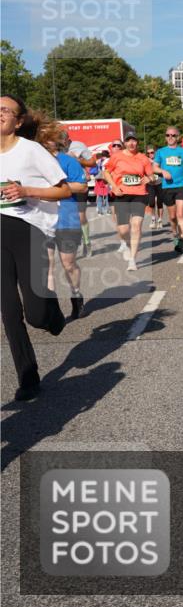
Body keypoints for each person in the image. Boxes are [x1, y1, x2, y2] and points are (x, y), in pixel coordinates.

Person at [0, 95, 70, 401]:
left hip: (30, 231)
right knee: (8, 310)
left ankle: (51, 314)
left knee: (36, 316)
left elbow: (63, 189)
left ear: (18, 121)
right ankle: (28, 378)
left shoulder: (31, 151)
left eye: (5, 110)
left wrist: (26, 190)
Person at [44, 129, 89, 320]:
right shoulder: (35, 161)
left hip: (67, 219)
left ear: (57, 141)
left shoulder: (68, 161)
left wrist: (57, 187)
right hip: (43, 219)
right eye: (42, 136)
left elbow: (82, 186)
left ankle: (76, 295)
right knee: (47, 265)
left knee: (68, 263)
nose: (46, 140)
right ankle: (51, 308)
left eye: (49, 137)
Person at [104, 133, 155, 271]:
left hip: (139, 194)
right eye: (128, 141)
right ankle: (127, 244)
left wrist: (149, 179)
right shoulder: (117, 156)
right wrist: (114, 187)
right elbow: (106, 173)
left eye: (134, 140)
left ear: (137, 143)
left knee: (136, 225)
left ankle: (132, 260)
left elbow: (151, 175)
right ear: (125, 143)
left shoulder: (143, 158)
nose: (131, 143)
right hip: (122, 194)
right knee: (123, 229)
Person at [153, 127, 183, 253]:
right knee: (172, 216)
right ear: (165, 137)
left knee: (180, 214)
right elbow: (154, 168)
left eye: (173, 135)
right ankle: (175, 233)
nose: (170, 137)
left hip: (181, 185)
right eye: (168, 135)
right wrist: (163, 171)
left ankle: (180, 240)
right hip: (166, 186)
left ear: (178, 137)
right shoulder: (160, 152)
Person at [67, 139, 96, 256]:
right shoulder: (53, 148)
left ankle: (86, 242)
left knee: (80, 216)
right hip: (62, 184)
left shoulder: (78, 145)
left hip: (79, 183)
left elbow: (92, 162)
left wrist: (77, 160)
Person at [144, 145, 166, 229]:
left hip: (160, 183)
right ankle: (153, 219)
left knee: (159, 202)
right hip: (150, 184)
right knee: (151, 202)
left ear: (155, 152)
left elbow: (162, 169)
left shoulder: (160, 159)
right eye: (148, 153)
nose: (150, 154)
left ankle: (160, 220)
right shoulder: (146, 161)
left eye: (152, 152)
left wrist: (152, 162)